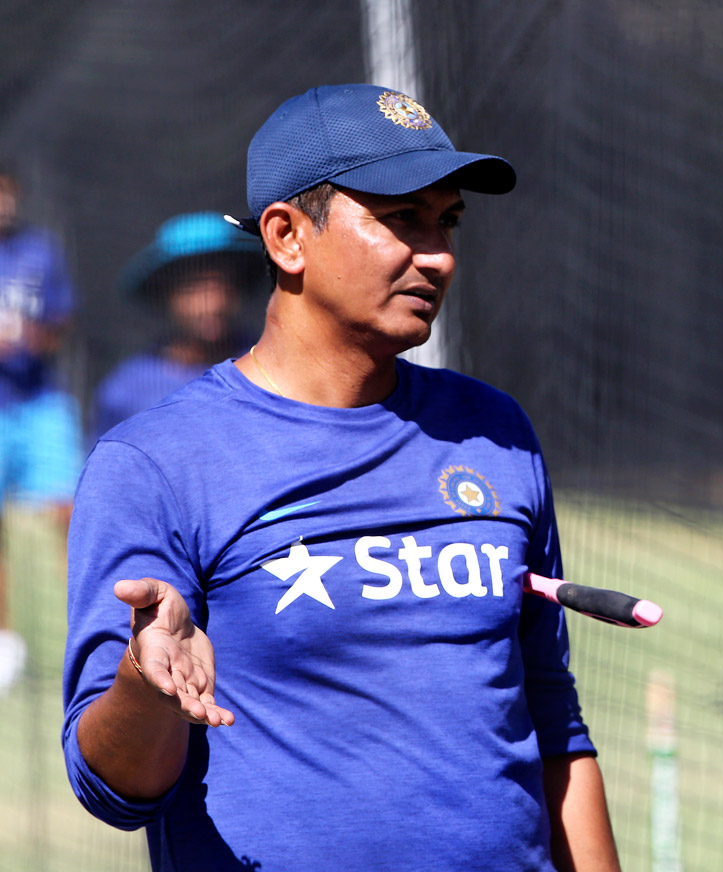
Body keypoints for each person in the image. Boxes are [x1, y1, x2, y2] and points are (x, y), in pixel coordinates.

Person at [62, 84, 621, 872]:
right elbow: (115, 788)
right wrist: (145, 684)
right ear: (287, 237)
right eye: (402, 220)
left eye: (448, 220)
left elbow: (552, 719)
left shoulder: (497, 434)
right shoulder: (155, 462)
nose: (438, 255)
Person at [0, 162, 81, 696]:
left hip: (41, 402)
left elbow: (61, 319)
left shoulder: (40, 250)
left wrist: (29, 339)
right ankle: (6, 644)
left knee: (71, 512)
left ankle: (90, 626)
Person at [90, 212, 263, 440]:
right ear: (166, 296)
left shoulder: (268, 365)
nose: (212, 303)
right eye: (194, 288)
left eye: (221, 285)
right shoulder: (127, 391)